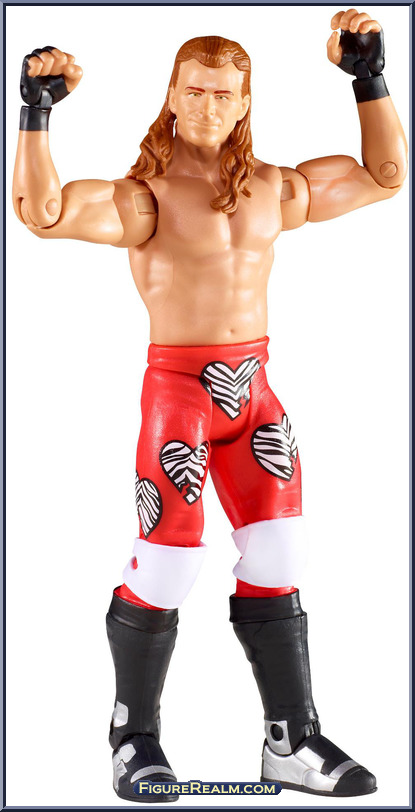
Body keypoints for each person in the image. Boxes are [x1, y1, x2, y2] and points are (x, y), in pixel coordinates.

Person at [12, 9, 407, 802]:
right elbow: (41, 214)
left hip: (254, 391)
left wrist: (367, 79)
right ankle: (133, 738)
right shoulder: (143, 198)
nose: (206, 106)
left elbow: (384, 175)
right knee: (167, 561)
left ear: (244, 102)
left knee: (281, 556)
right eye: (193, 90)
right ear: (170, 94)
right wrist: (37, 113)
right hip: (179, 396)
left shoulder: (274, 188)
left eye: (222, 94)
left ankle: (290, 740)